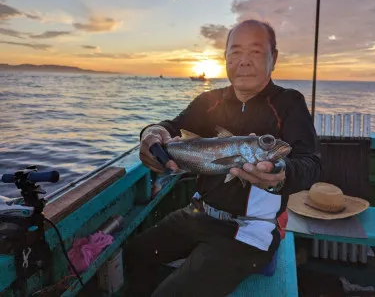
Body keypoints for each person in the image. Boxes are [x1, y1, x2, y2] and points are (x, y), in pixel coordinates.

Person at [126, 19, 322, 297]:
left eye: (255, 52)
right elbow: (169, 127)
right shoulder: (210, 101)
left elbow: (311, 163)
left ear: (273, 58)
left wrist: (282, 173)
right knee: (135, 253)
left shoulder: (289, 103)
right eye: (235, 52)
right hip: (198, 214)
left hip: (248, 233)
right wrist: (150, 134)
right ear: (225, 58)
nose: (243, 61)